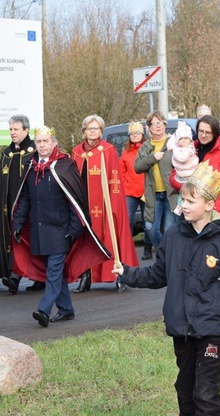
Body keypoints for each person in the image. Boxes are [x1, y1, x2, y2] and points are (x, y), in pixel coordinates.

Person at [112, 161, 220, 416]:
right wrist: (127, 273)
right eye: (183, 199)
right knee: (185, 387)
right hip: (181, 325)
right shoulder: (171, 236)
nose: (185, 205)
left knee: (206, 386)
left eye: (192, 200)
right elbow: (158, 275)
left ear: (209, 204)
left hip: (212, 325)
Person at [12, 126, 111, 326]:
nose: (42, 145)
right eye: (38, 142)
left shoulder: (65, 165)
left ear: (53, 143)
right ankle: (66, 309)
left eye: (45, 141)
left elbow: (75, 199)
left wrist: (75, 228)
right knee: (53, 271)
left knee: (53, 272)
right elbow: (24, 199)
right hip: (40, 231)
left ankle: (44, 310)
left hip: (60, 231)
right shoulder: (31, 167)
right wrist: (18, 223)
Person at [71, 115, 139, 293]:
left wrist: (114, 204)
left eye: (96, 128)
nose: (92, 131)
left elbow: (115, 179)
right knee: (84, 241)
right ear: (84, 131)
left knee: (110, 237)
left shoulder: (107, 150)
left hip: (104, 204)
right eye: (89, 128)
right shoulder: (77, 152)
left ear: (101, 131)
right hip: (83, 205)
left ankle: (119, 276)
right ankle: (85, 277)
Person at [0, 114, 42, 293]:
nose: (12, 133)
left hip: (31, 204)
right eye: (10, 129)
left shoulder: (35, 150)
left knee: (30, 240)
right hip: (9, 205)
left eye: (16, 129)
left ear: (26, 130)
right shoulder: (6, 154)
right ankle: (14, 275)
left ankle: (32, 277)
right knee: (12, 238)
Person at [171, 114, 220, 217]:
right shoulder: (190, 148)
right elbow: (173, 176)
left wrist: (194, 183)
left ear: (215, 133)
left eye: (208, 132)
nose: (203, 135)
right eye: (201, 131)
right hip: (189, 205)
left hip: (212, 207)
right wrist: (184, 184)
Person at [135, 111, 178, 250]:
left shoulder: (173, 143)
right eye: (154, 123)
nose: (158, 126)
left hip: (171, 194)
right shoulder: (146, 146)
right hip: (153, 195)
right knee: (150, 227)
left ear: (165, 125)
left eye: (160, 123)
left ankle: (166, 259)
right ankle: (163, 252)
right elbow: (137, 167)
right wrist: (153, 158)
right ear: (149, 127)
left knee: (169, 230)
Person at [120, 121, 154, 260]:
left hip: (146, 191)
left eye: (137, 133)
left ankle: (147, 248)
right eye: (132, 133)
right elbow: (121, 172)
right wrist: (125, 184)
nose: (135, 136)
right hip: (130, 192)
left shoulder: (148, 149)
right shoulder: (125, 152)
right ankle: (128, 249)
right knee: (127, 220)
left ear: (142, 134)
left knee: (148, 222)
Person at [168, 121, 199, 216]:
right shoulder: (179, 150)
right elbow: (183, 159)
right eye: (181, 139)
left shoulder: (190, 147)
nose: (184, 141)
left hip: (191, 173)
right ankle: (180, 206)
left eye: (186, 138)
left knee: (188, 194)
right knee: (185, 194)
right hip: (185, 175)